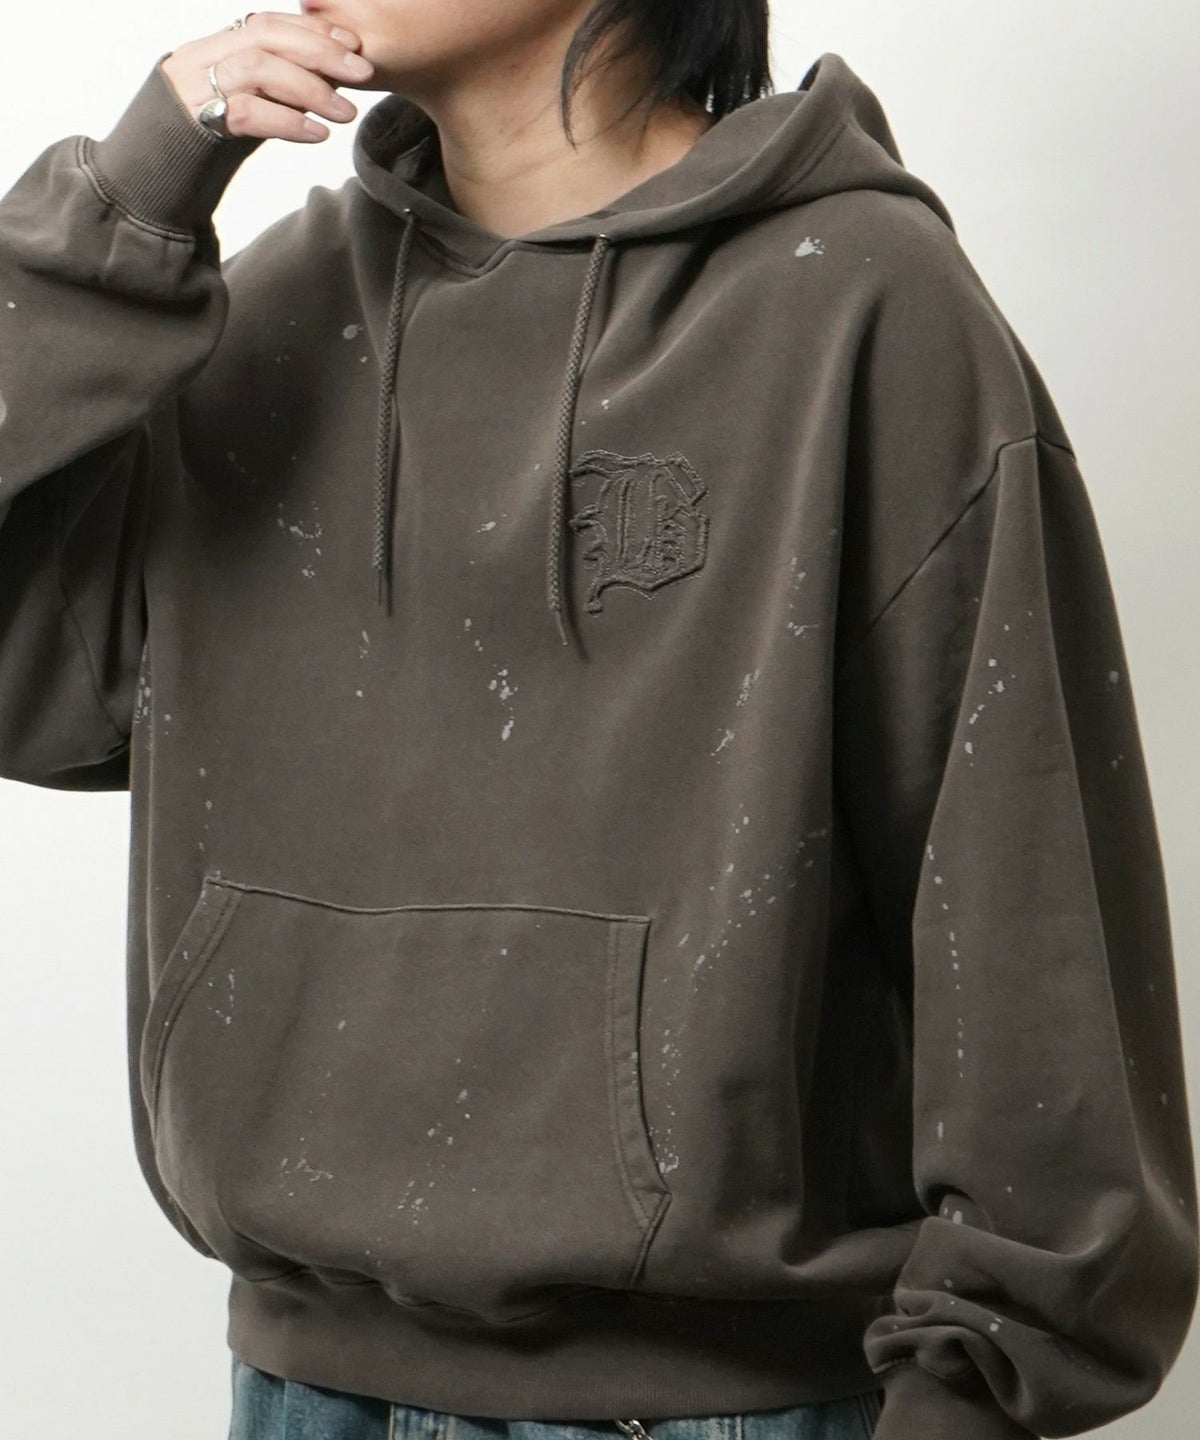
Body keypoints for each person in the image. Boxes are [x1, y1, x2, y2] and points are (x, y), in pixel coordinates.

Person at [0, 3, 1196, 1438]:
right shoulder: (274, 309)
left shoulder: (861, 307)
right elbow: (36, 690)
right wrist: (125, 204)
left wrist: (976, 1395)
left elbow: (1018, 891)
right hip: (304, 1387)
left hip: (716, 1410)